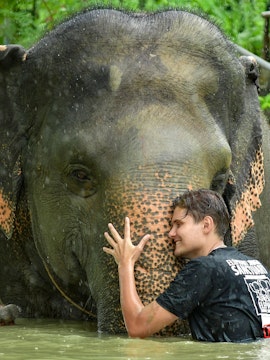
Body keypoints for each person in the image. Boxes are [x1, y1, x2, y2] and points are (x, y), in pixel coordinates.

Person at [103, 189, 270, 342]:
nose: (171, 233)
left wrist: (125, 263)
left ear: (206, 225)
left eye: (179, 224)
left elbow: (137, 327)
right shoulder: (257, 267)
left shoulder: (204, 267)